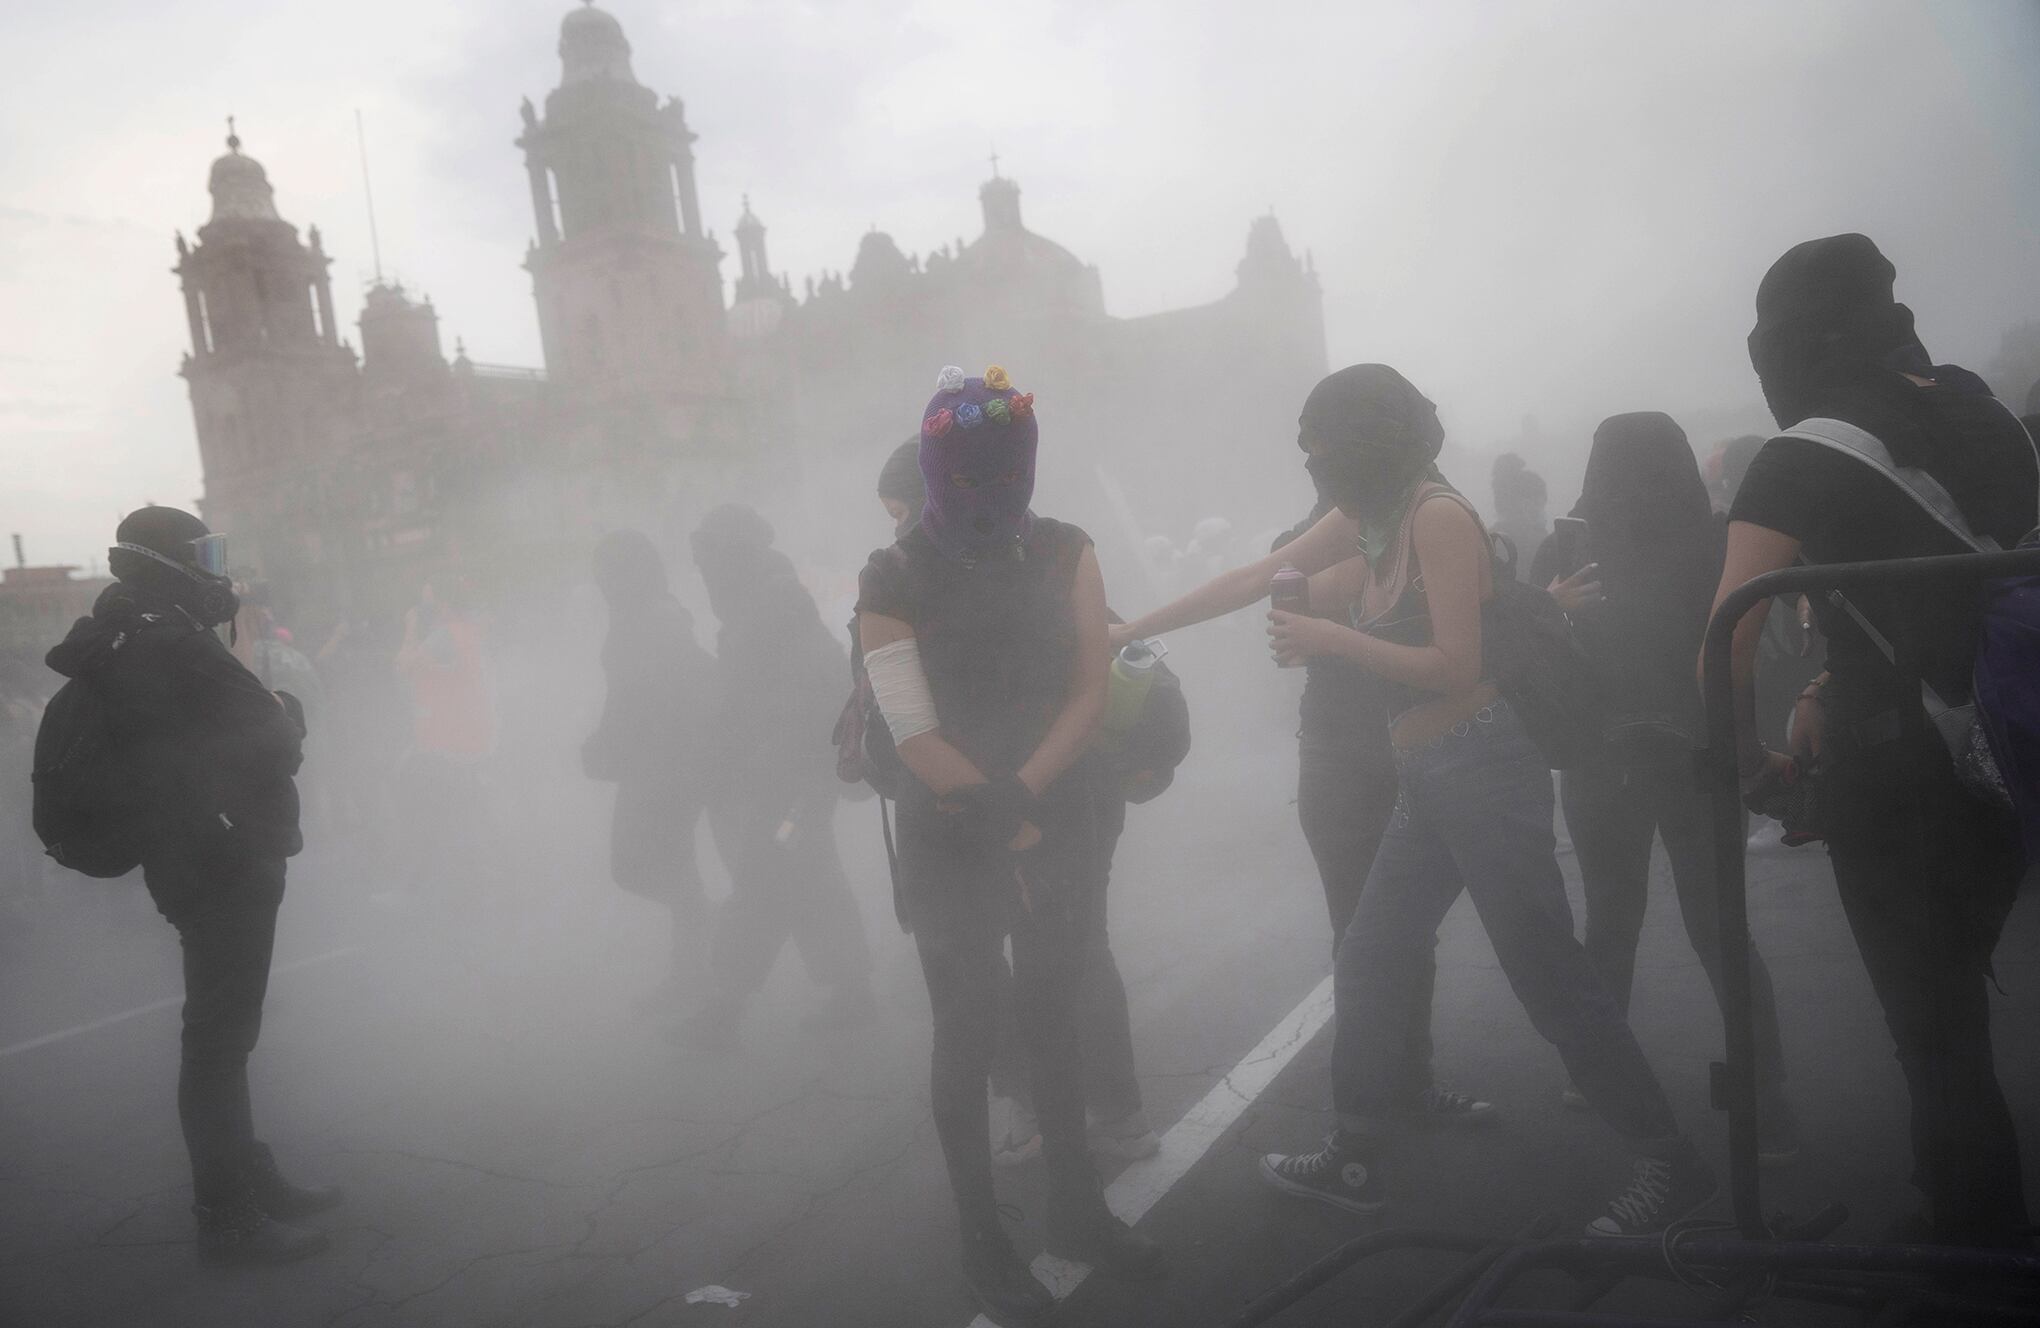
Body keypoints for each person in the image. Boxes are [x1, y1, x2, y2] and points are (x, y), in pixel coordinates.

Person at [1115, 365, 1714, 1235]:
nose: (1320, 470)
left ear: (1371, 447)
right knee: (1368, 959)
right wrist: (1135, 629)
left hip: (1480, 766)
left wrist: (1330, 635)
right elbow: (1257, 575)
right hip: (1431, 778)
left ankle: (1671, 1163)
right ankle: (1356, 1152)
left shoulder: (1435, 515)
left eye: (1328, 452)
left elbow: (1455, 669)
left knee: (1547, 975)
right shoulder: (1371, 513)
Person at [1713, 234, 2037, 1246]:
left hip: (1899, 770)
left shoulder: (1803, 449)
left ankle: (1973, 1250)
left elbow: (1724, 638)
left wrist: (1753, 769)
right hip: (2014, 743)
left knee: (1934, 1026)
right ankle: (1955, 1194)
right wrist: (1823, 675)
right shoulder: (1989, 412)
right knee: (1958, 980)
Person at [857, 366, 1165, 1328]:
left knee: (1053, 1005)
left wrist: (1024, 795)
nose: (992, 488)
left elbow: (1088, 682)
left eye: (1007, 467)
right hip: (957, 820)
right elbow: (908, 728)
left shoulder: (1069, 550)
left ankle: (1076, 1204)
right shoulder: (892, 575)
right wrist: (1001, 807)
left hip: (1045, 800)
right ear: (946, 467)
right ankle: (981, 1238)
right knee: (969, 1026)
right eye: (973, 469)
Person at [45, 507, 340, 1263]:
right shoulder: (169, 640)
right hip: (219, 856)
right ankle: (228, 1218)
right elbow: (267, 741)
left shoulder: (127, 629)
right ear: (171, 558)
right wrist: (288, 713)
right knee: (217, 1042)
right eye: (202, 551)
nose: (216, 567)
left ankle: (244, 1176)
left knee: (222, 1039)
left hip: (186, 851)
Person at [1531, 413, 1798, 1162]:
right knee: (1720, 931)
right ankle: (1766, 1103)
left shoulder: (1569, 545)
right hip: (1697, 756)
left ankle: (1598, 1076)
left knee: (1611, 922)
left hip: (1599, 760)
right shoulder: (1716, 538)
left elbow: (1531, 648)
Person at [681, 504, 876, 1048]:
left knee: (764, 873)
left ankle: (725, 1006)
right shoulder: (758, 599)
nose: (703, 572)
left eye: (708, 557)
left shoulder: (772, 603)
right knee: (805, 871)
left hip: (791, 776)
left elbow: (804, 689)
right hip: (787, 773)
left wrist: (764, 753)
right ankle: (850, 989)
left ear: (730, 555)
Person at [583, 531, 718, 1014]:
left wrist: (606, 745)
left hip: (663, 767)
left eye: (605, 571)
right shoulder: (650, 613)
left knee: (638, 865)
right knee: (666, 867)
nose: (599, 581)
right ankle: (695, 962)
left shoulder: (650, 619)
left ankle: (704, 946)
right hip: (662, 763)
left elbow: (639, 698)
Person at [1491, 451, 1550, 580]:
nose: (1542, 512)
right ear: (1526, 504)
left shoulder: (1487, 538)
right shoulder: (1539, 542)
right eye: (1540, 505)